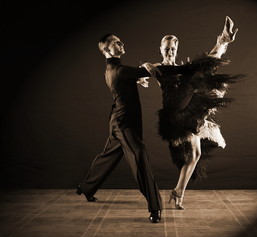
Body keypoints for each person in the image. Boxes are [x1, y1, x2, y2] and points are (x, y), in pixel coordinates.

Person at [76, 33, 193, 223]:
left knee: (109, 155)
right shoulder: (119, 71)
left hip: (119, 121)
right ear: (106, 50)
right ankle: (155, 208)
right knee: (140, 154)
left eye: (121, 40)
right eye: (116, 43)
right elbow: (157, 72)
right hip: (124, 124)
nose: (122, 43)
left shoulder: (112, 69)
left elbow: (137, 72)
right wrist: (185, 68)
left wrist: (144, 67)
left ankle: (86, 187)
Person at [139, 16, 242, 210]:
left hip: (188, 114)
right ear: (161, 50)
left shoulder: (183, 69)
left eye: (173, 49)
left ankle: (178, 192)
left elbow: (202, 65)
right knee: (196, 72)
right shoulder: (158, 67)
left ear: (176, 50)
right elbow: (140, 70)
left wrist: (220, 45)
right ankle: (221, 43)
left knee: (195, 154)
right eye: (167, 49)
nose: (170, 51)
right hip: (173, 116)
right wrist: (143, 69)